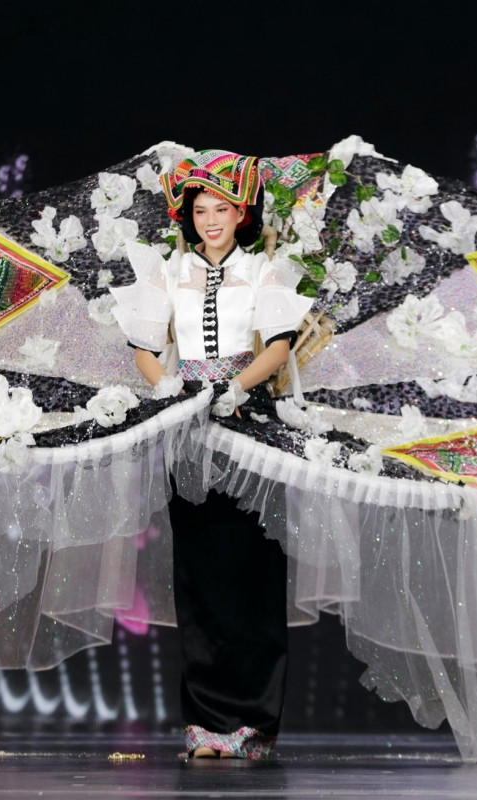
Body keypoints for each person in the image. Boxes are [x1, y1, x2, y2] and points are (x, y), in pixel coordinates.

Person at [111, 149, 314, 759]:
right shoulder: (167, 272)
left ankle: (254, 723)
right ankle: (205, 723)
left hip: (248, 419)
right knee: (198, 575)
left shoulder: (267, 270)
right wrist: (168, 387)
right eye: (200, 210)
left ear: (240, 212)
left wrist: (236, 388)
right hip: (188, 425)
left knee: (255, 570)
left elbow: (278, 346)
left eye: (221, 208)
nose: (210, 219)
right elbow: (146, 345)